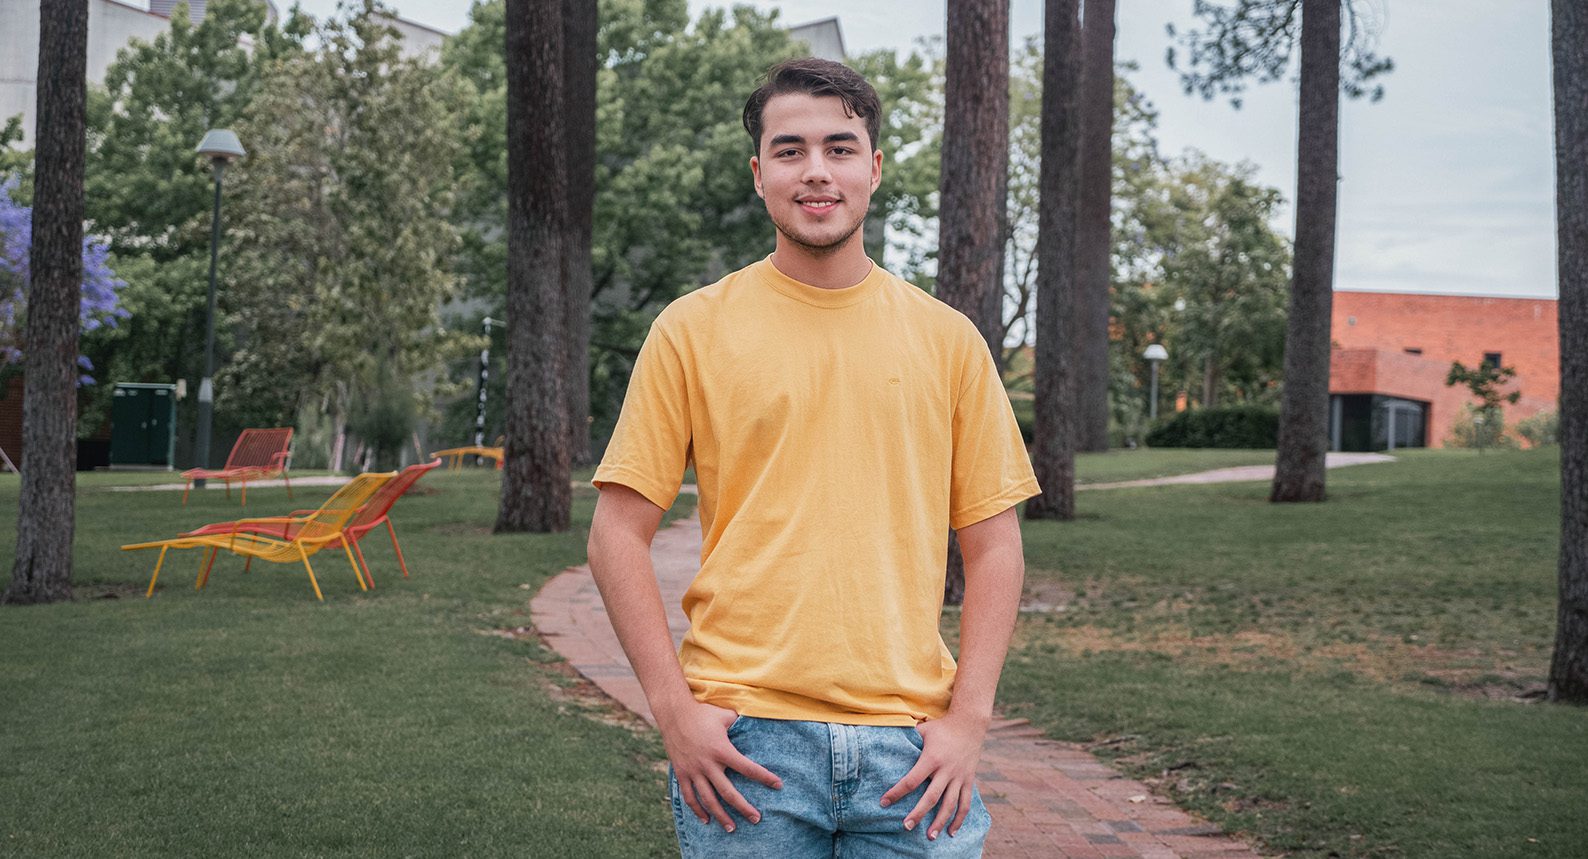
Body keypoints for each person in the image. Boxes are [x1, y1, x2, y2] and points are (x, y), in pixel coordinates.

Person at [586, 56, 1039, 858]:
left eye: (840, 146)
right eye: (790, 150)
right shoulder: (691, 330)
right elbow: (616, 532)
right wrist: (671, 709)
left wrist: (969, 721)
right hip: (744, 745)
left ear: (873, 166)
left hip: (911, 754)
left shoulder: (949, 341)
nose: (816, 171)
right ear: (759, 174)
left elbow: (995, 543)